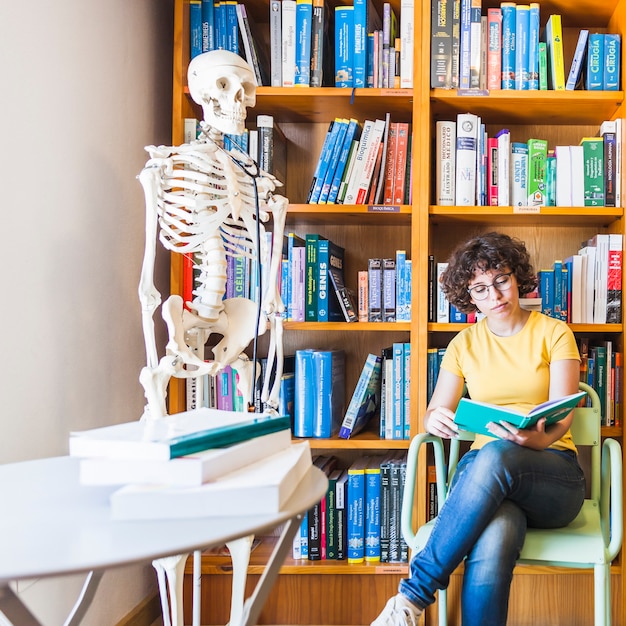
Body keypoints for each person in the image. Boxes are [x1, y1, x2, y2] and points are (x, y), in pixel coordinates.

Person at [371, 232, 586, 626]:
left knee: (497, 454)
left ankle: (411, 598)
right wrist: (432, 417)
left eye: (502, 280)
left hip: (553, 477)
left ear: (517, 277)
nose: (496, 295)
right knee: (498, 529)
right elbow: (437, 409)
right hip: (487, 485)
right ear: (470, 297)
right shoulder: (463, 345)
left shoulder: (555, 333)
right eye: (481, 289)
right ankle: (407, 607)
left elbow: (563, 415)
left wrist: (532, 438)